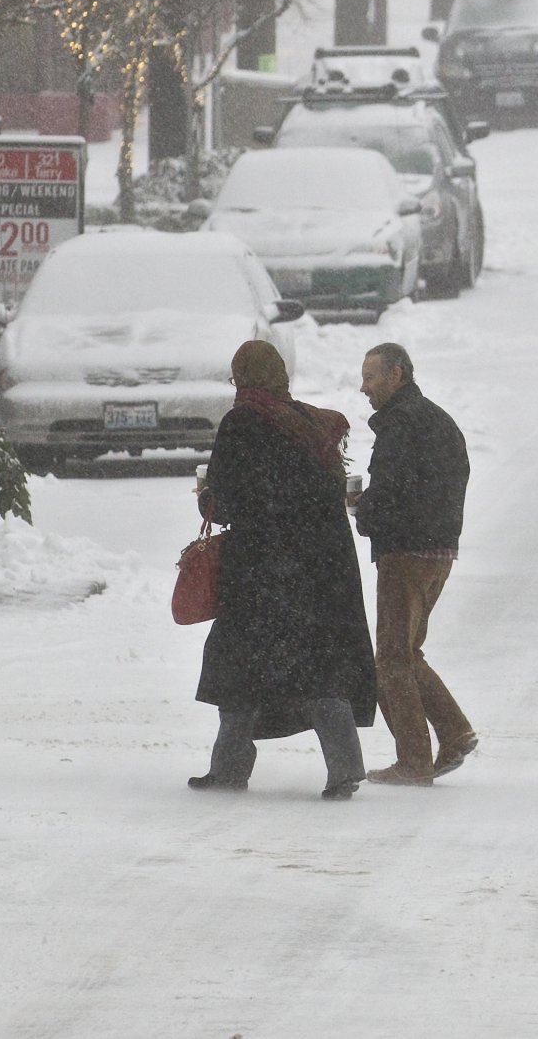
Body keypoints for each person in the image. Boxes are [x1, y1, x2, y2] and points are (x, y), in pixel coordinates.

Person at [189, 340, 377, 800]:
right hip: (322, 565)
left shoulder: (242, 422)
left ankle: (230, 768)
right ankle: (345, 768)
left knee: (238, 664)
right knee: (316, 664)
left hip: (261, 567)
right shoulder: (313, 423)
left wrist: (206, 496)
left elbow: (227, 500)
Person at [352, 342, 477, 786]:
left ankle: (414, 761)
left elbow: (392, 494)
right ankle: (455, 733)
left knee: (391, 659)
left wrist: (360, 508)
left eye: (370, 377)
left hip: (406, 552)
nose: (362, 387)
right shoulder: (437, 419)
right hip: (439, 550)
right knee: (406, 651)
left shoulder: (401, 426)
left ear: (396, 375)